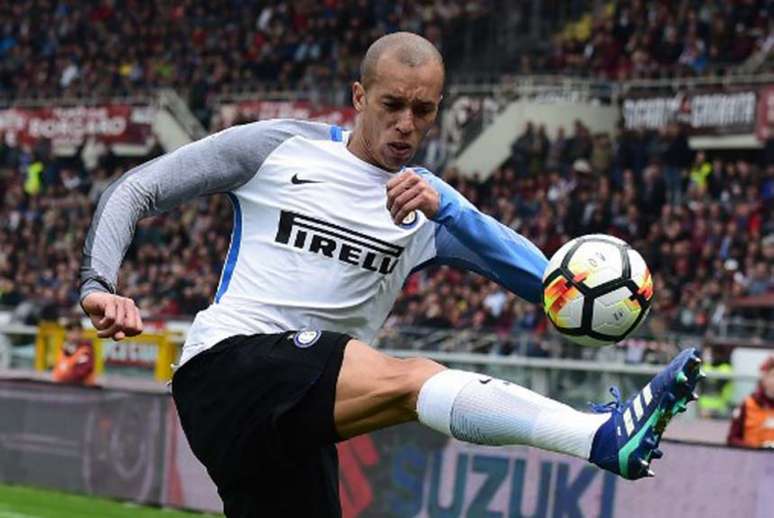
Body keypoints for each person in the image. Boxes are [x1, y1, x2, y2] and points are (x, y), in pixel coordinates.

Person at [79, 32, 703, 517]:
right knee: (414, 381)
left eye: (423, 111)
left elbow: (552, 287)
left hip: (299, 420)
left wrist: (450, 206)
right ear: (359, 98)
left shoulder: (429, 208)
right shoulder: (277, 148)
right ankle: (598, 436)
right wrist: (98, 284)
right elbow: (137, 188)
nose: (407, 125)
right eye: (392, 105)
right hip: (227, 370)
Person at [727, 356, 774, 448]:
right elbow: (732, 439)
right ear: (764, 378)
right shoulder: (748, 403)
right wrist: (756, 448)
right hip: (751, 459)